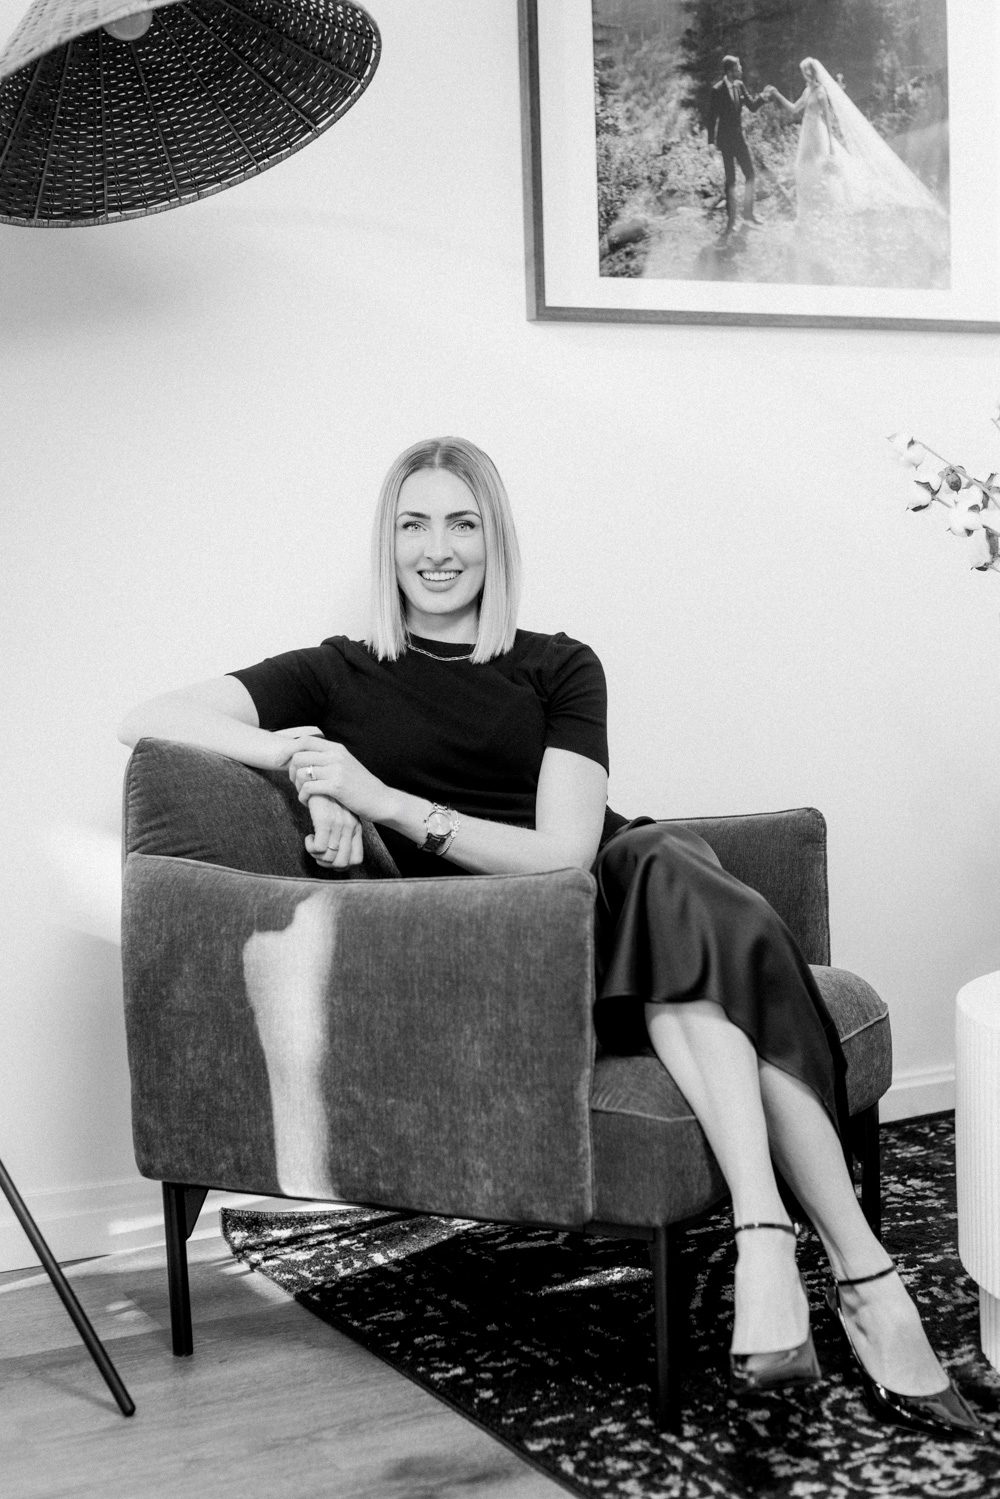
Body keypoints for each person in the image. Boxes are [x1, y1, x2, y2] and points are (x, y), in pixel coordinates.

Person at [118, 436, 980, 1438]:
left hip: (614, 895)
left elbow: (569, 850)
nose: (437, 549)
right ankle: (864, 1280)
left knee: (664, 864)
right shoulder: (333, 674)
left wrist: (382, 798)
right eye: (414, 523)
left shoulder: (558, 664)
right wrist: (302, 757)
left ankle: (767, 1240)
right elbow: (148, 714)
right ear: (386, 543)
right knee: (694, 898)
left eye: (462, 522)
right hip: (520, 957)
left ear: (495, 539)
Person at [765, 58, 947, 223]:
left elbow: (828, 120)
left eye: (806, 72)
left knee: (823, 167)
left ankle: (830, 203)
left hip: (817, 133)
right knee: (803, 166)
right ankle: (807, 208)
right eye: (803, 72)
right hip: (807, 132)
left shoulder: (820, 93)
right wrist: (777, 94)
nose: (804, 75)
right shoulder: (807, 91)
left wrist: (830, 145)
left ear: (812, 73)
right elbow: (794, 109)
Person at [706, 55, 768, 239]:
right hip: (725, 142)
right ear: (729, 71)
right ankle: (730, 222)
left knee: (750, 174)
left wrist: (763, 98)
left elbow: (752, 106)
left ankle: (748, 214)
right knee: (731, 181)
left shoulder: (740, 85)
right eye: (738, 67)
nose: (741, 70)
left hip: (739, 140)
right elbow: (711, 118)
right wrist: (710, 142)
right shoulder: (717, 90)